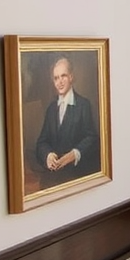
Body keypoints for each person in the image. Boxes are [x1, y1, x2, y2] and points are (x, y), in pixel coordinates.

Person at [35, 56, 99, 186]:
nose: (60, 82)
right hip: (53, 175)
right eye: (56, 78)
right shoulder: (51, 108)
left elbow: (92, 138)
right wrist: (48, 155)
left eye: (63, 76)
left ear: (71, 77)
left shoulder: (83, 105)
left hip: (77, 174)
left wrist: (74, 154)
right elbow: (42, 142)